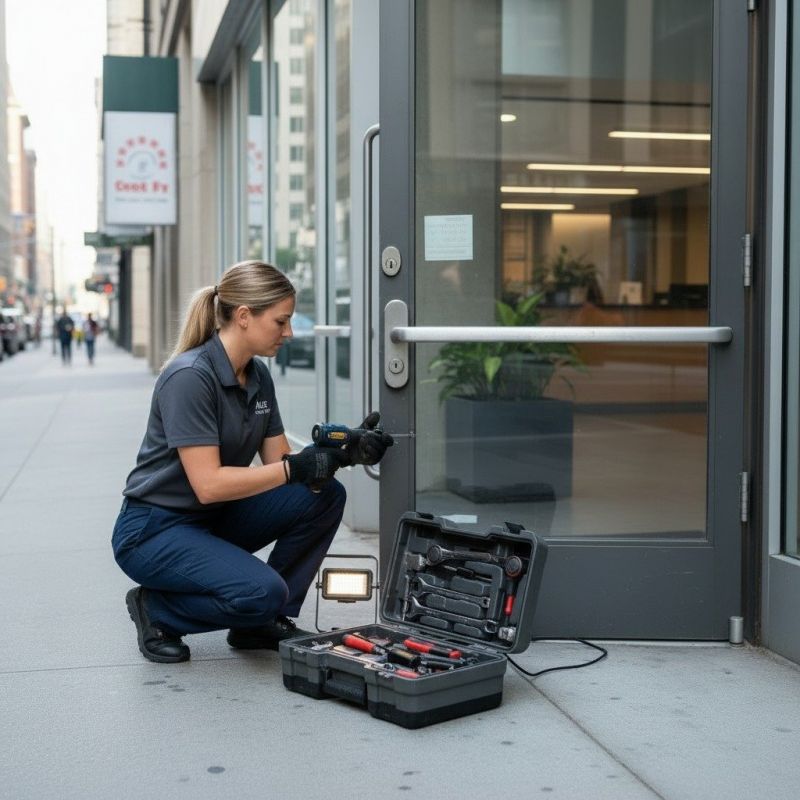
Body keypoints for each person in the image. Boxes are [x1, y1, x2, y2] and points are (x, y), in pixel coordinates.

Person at [111, 260, 393, 664]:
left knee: (324, 495)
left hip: (211, 519)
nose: (289, 332)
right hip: (155, 530)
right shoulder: (189, 376)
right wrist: (292, 469)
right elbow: (207, 484)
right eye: (281, 321)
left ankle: (257, 624)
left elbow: (280, 463)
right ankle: (157, 609)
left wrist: (344, 453)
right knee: (262, 592)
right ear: (244, 316)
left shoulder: (257, 375)